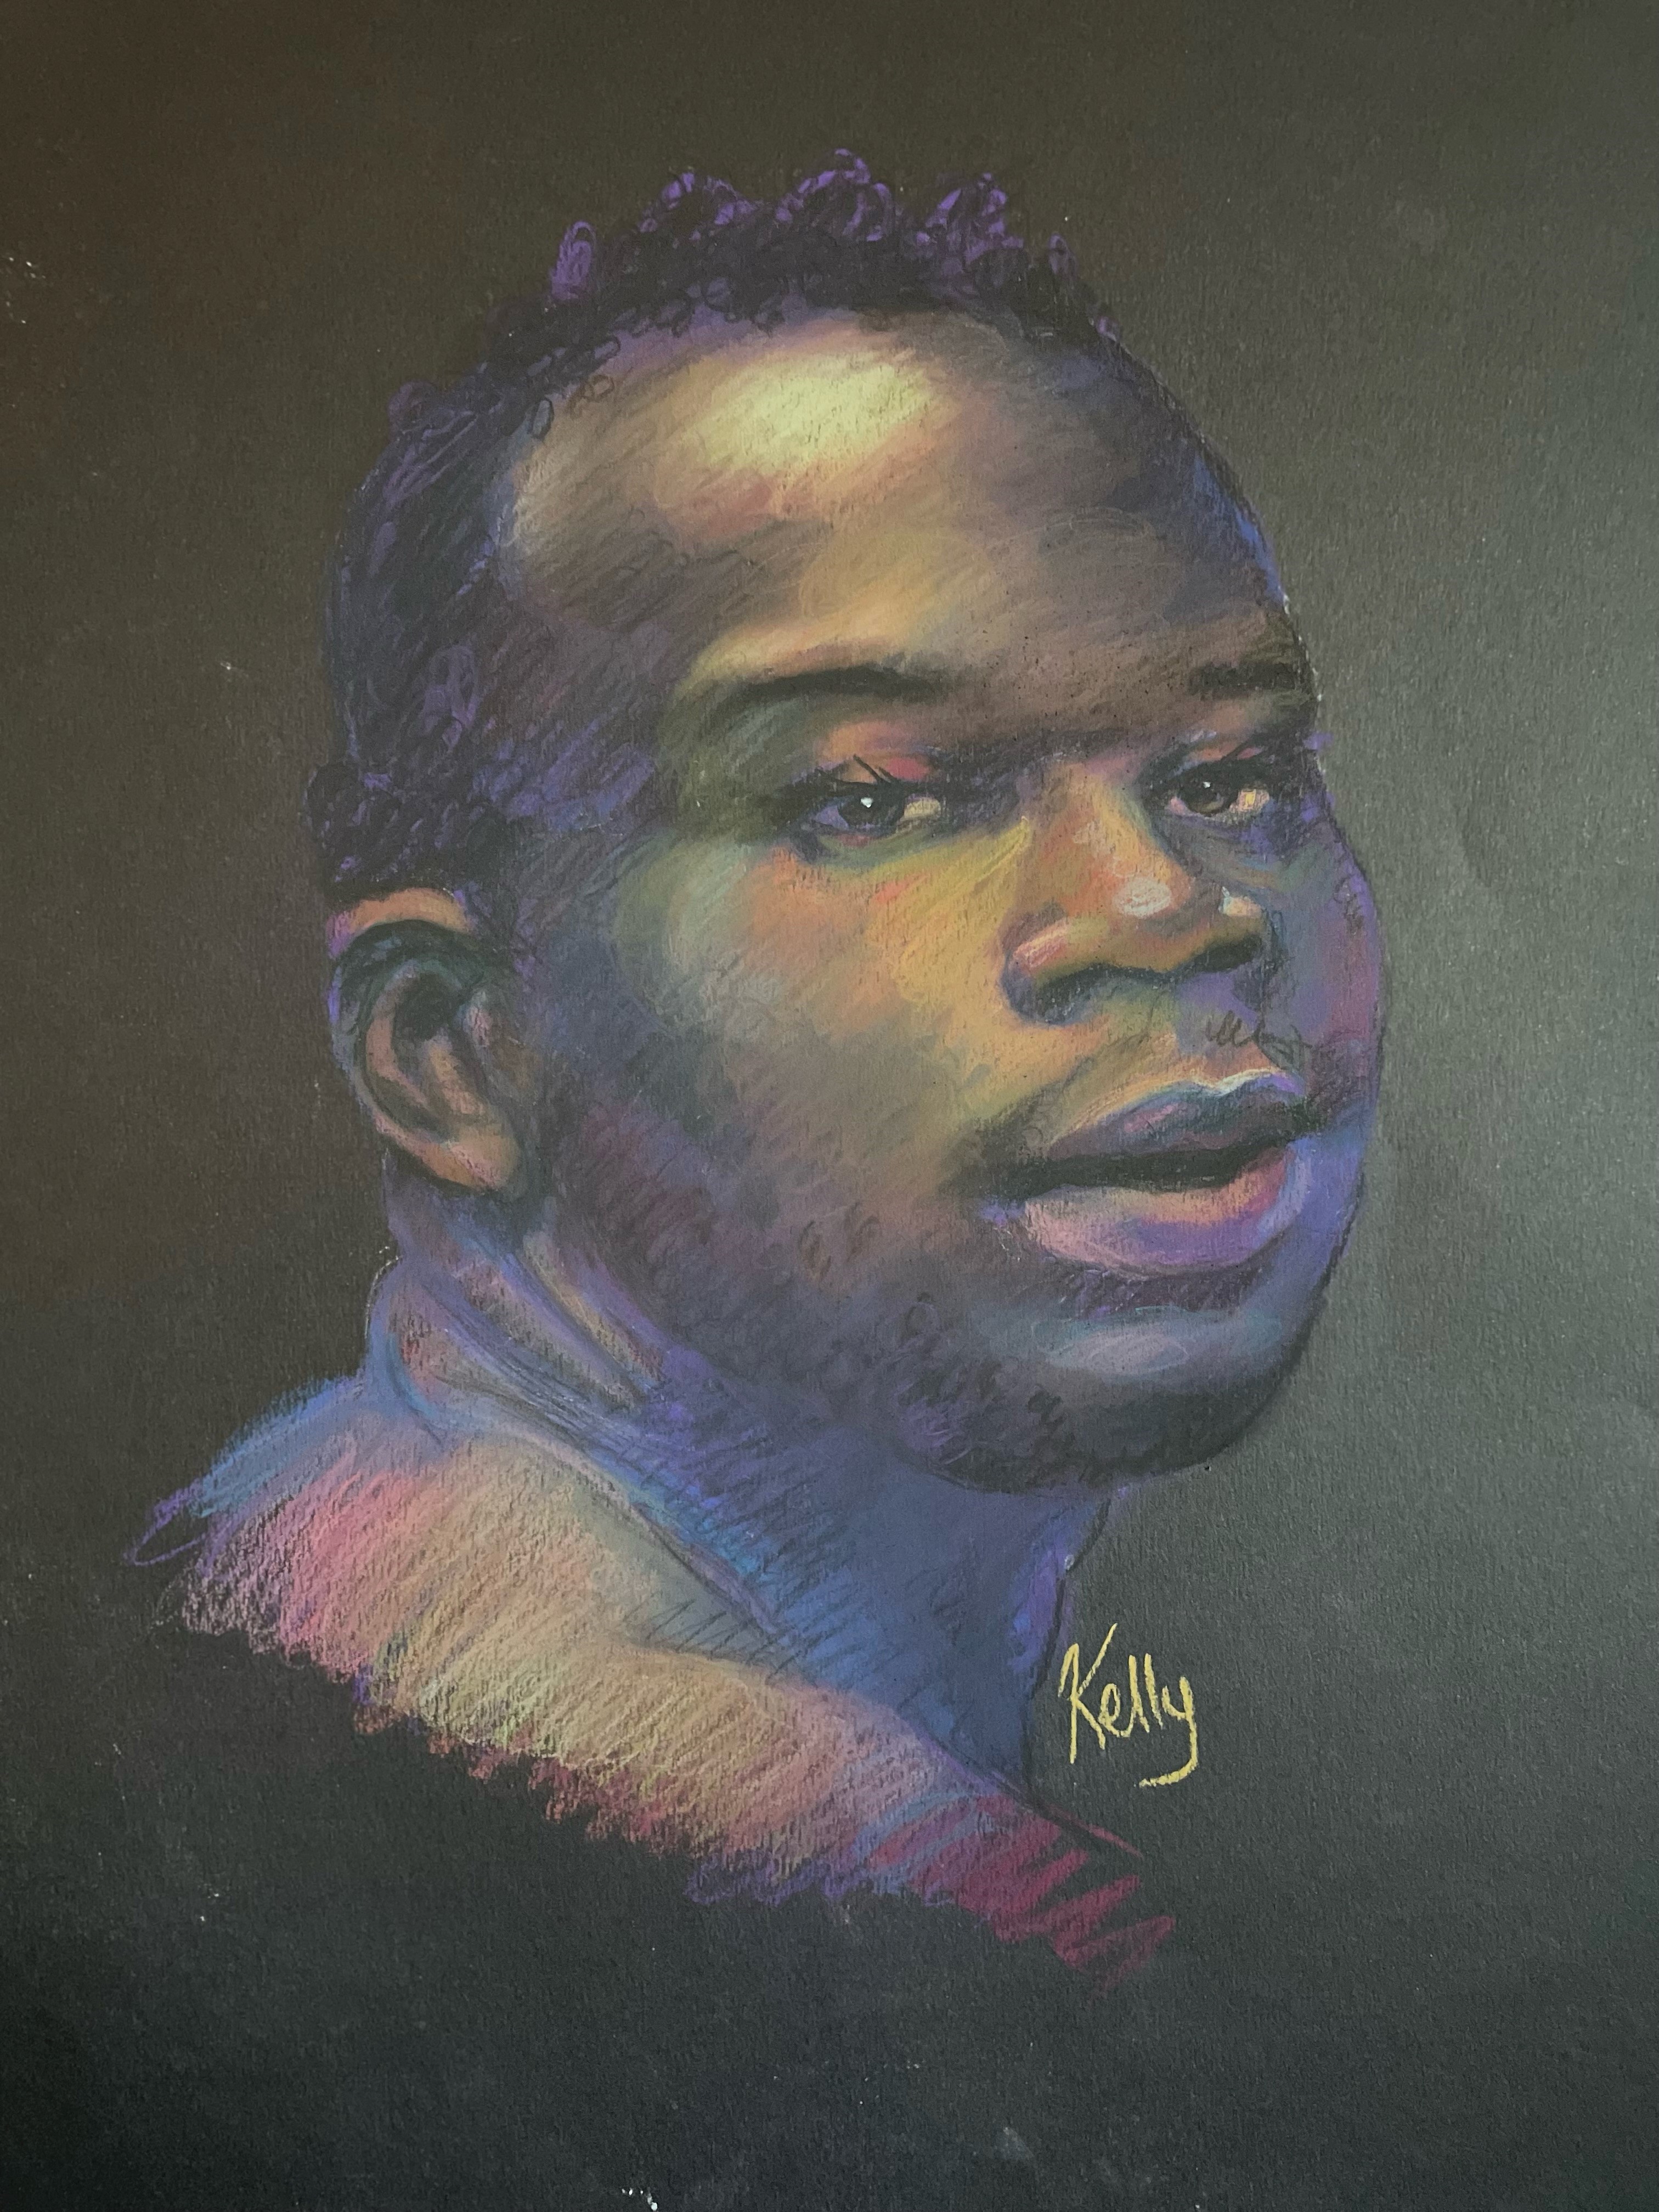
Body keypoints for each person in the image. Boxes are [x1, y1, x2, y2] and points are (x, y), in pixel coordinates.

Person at [142, 155, 1382, 2005]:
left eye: (1235, 776)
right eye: (870, 800)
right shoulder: (933, 1947)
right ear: (450, 1048)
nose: (1167, 909)